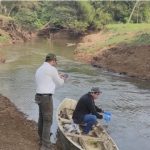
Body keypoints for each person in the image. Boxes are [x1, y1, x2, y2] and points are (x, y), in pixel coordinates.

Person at [35, 53, 67, 150]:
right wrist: (63, 78)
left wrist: (57, 75)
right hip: (46, 97)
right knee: (48, 120)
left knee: (42, 119)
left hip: (38, 96)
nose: (55, 64)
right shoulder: (52, 69)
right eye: (55, 62)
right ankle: (46, 146)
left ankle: (41, 139)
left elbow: (46, 80)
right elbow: (59, 83)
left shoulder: (39, 69)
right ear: (52, 60)